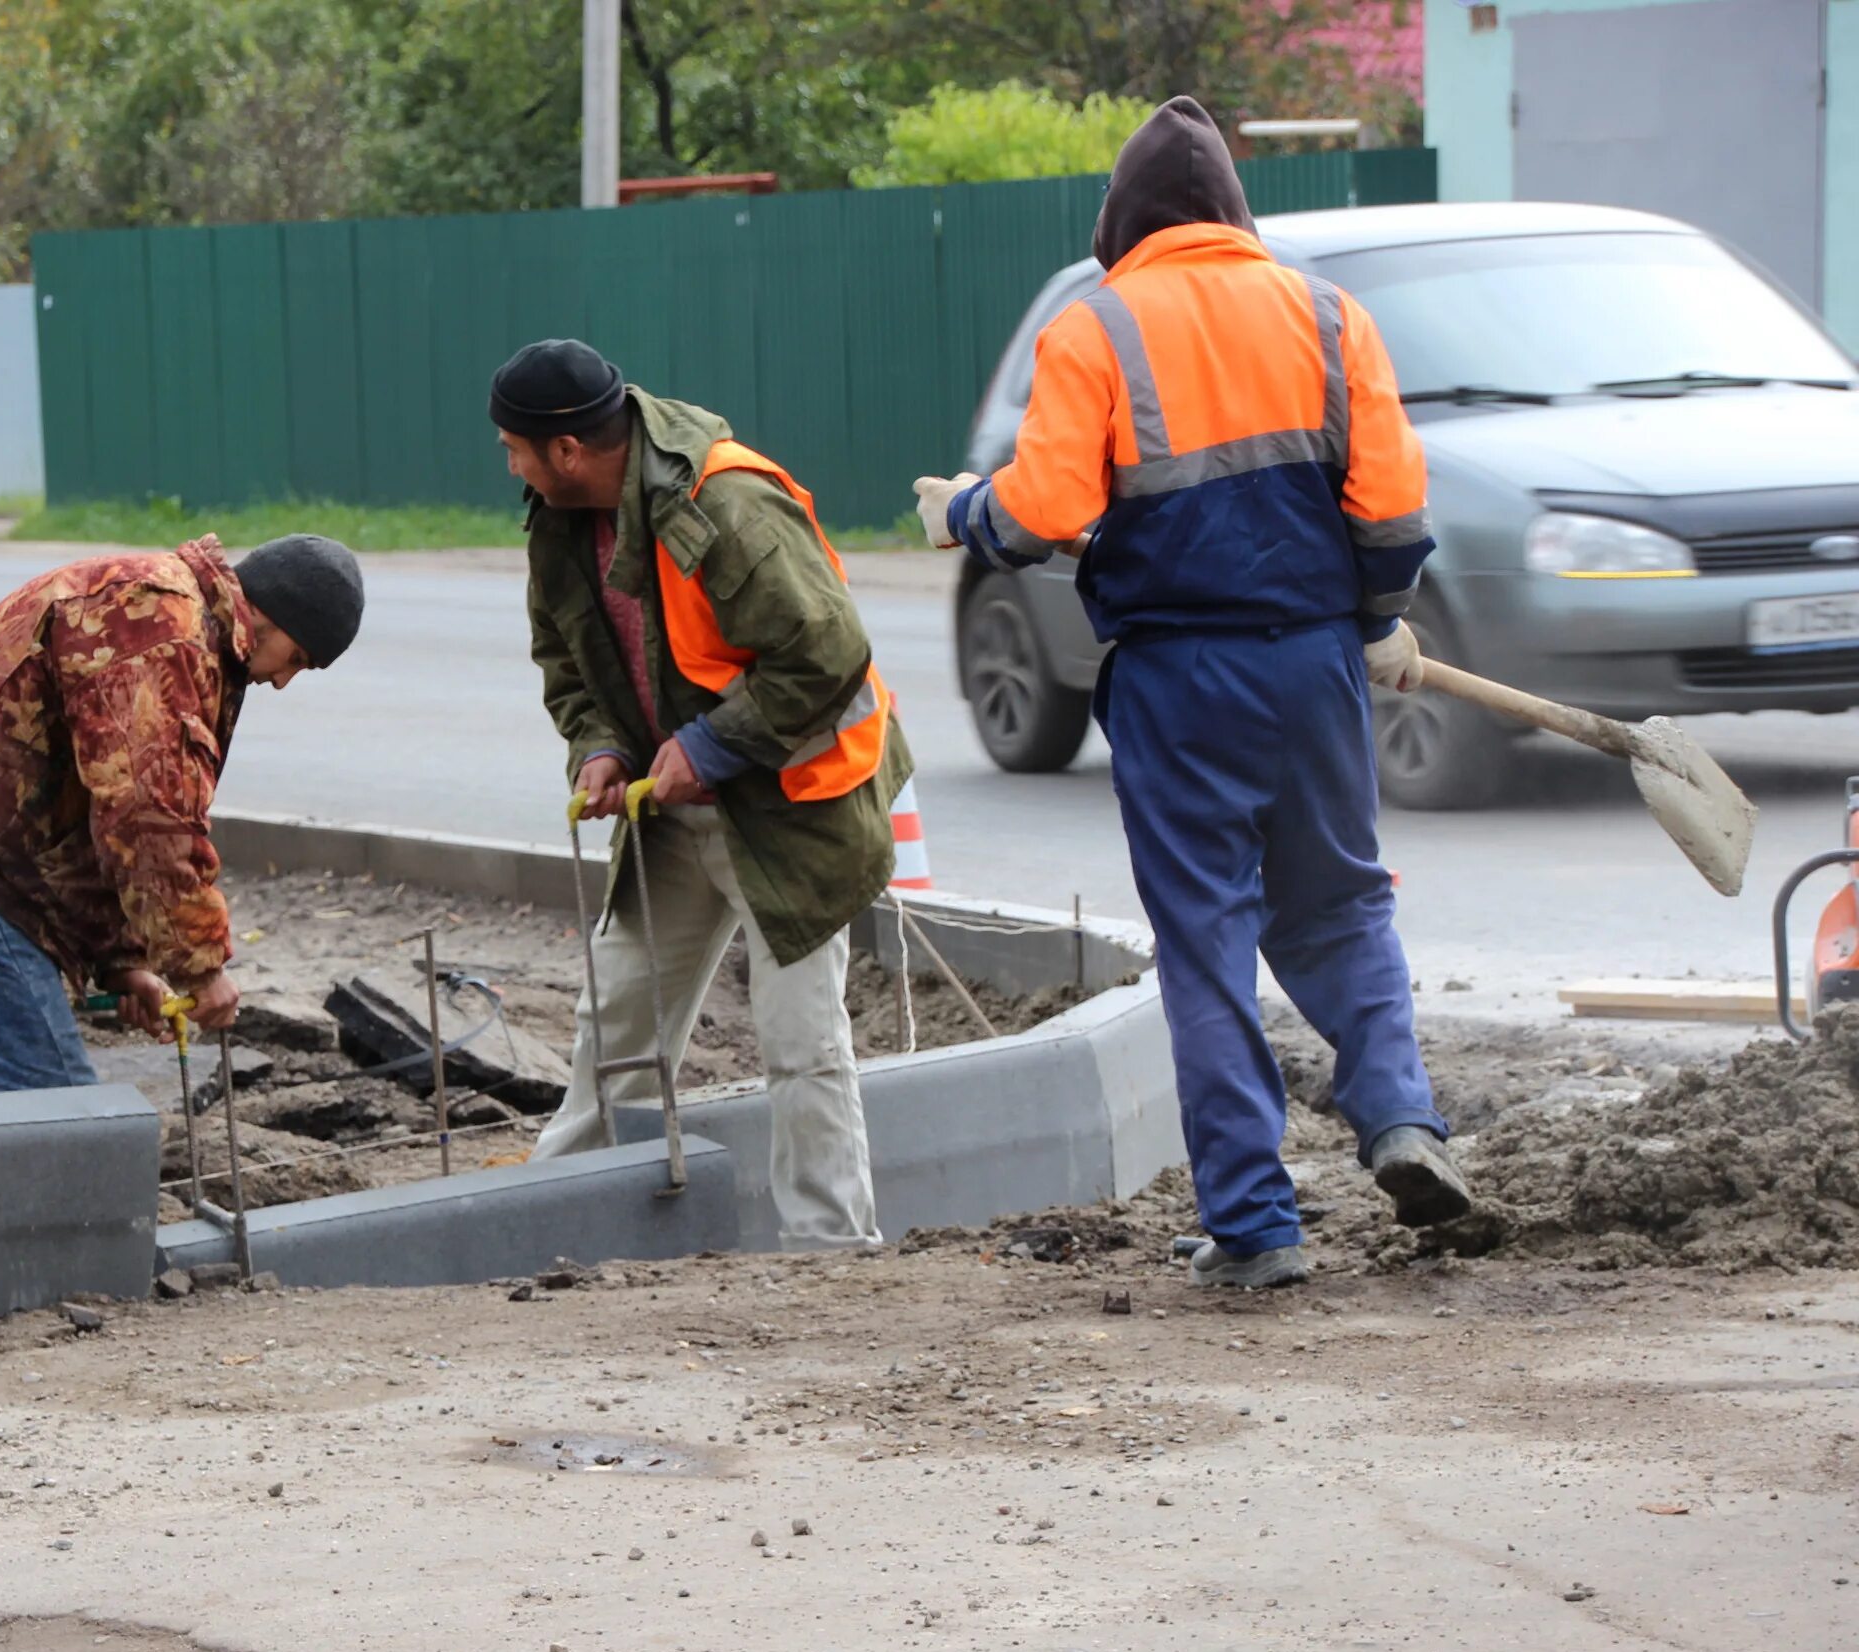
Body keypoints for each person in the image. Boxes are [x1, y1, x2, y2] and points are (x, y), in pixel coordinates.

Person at [912, 97, 1470, 1290]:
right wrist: (1373, 621)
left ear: (1124, 222)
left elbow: (1044, 512)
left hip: (1177, 674)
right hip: (1316, 665)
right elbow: (1395, 509)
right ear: (1231, 209)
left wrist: (962, 510)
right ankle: (1402, 1118)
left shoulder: (1094, 325)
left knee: (1208, 943)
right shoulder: (1329, 315)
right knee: (1343, 907)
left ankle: (1258, 1230)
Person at [494, 338, 912, 1250]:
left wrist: (711, 744)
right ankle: (551, 1227)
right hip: (671, 810)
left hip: (792, 809)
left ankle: (831, 1253)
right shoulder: (560, 521)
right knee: (616, 1027)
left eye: (514, 446)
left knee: (802, 1043)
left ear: (567, 449)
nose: (510, 463)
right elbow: (565, 659)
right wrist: (600, 746)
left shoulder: (721, 500)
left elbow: (829, 655)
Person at [0, 534, 363, 1092]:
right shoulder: (160, 629)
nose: (282, 681)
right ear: (262, 614)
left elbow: (94, 805)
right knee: (56, 1121)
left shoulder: (183, 624)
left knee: (43, 1117)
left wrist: (120, 959)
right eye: (296, 659)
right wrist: (200, 967)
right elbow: (146, 818)